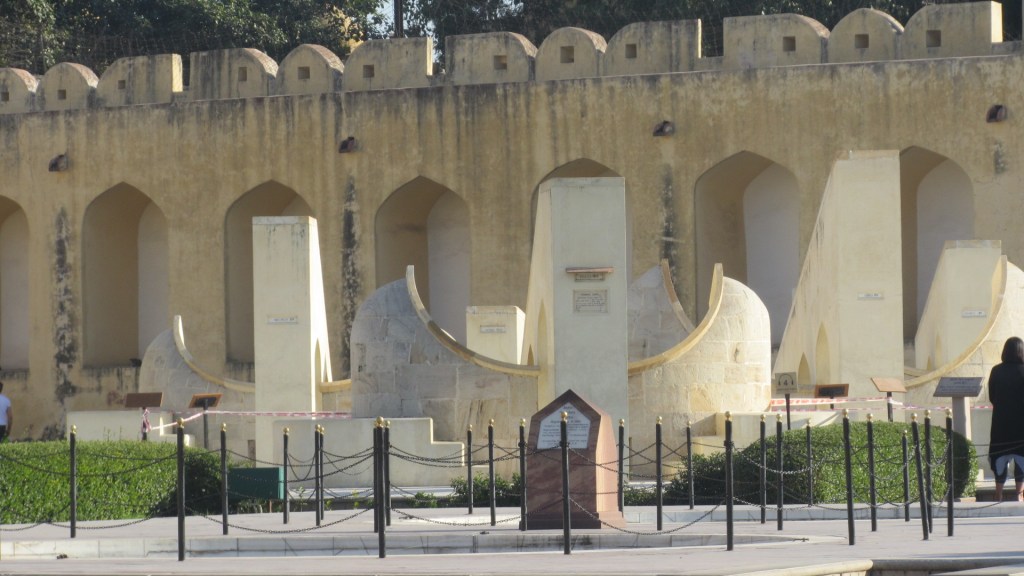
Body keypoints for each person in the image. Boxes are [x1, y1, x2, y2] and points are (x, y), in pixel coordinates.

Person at [988, 337, 1024, 501]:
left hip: (1001, 423)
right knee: (1022, 459)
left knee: (1000, 459)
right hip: (1021, 424)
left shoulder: (996, 371)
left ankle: (998, 493)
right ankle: (1019, 494)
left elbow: (992, 396)